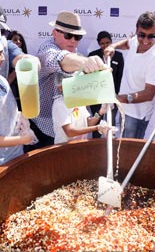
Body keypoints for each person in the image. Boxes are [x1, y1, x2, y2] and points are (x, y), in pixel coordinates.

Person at [27, 11, 108, 151]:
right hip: (43, 130)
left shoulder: (78, 56)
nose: (73, 41)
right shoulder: (47, 48)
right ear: (54, 32)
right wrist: (84, 62)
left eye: (77, 37)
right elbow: (57, 59)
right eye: (68, 35)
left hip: (70, 131)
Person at [104, 11, 155, 138]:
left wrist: (119, 98)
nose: (145, 40)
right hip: (123, 109)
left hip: (137, 116)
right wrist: (113, 46)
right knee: (118, 150)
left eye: (151, 36)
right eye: (141, 35)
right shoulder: (135, 41)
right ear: (136, 31)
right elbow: (127, 43)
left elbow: (149, 94)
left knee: (129, 154)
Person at [0, 38, 37, 165]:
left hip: (16, 155)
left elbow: (7, 108)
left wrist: (20, 115)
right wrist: (21, 140)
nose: (3, 59)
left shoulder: (3, 81)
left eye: (1, 53)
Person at [52, 74, 111, 144]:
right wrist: (97, 128)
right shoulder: (59, 104)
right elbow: (70, 132)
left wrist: (100, 112)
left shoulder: (79, 100)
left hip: (81, 144)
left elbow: (88, 123)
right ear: (60, 88)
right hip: (65, 147)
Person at [88, 31, 124, 138]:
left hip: (112, 96)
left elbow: (119, 77)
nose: (105, 45)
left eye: (108, 42)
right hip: (96, 97)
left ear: (111, 42)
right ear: (99, 44)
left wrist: (115, 95)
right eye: (102, 43)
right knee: (96, 120)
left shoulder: (118, 56)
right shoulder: (92, 56)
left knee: (111, 122)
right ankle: (95, 142)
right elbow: (89, 78)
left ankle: (110, 143)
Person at [7, 30, 28, 110]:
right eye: (15, 40)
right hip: (10, 100)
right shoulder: (4, 61)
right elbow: (6, 82)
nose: (18, 42)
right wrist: (18, 68)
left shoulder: (28, 59)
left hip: (25, 100)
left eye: (20, 40)